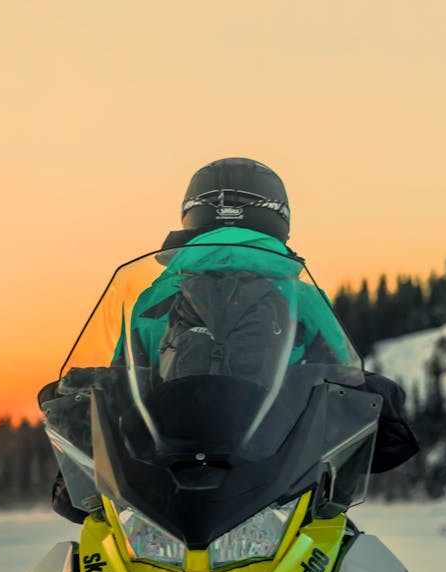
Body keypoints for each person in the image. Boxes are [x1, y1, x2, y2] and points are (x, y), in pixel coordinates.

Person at [48, 157, 418, 522]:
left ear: (191, 215)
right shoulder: (301, 298)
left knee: (89, 569)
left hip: (163, 490)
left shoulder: (153, 300)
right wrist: (372, 398)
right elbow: (346, 380)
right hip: (277, 486)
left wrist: (82, 395)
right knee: (341, 558)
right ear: (279, 218)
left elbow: (123, 382)